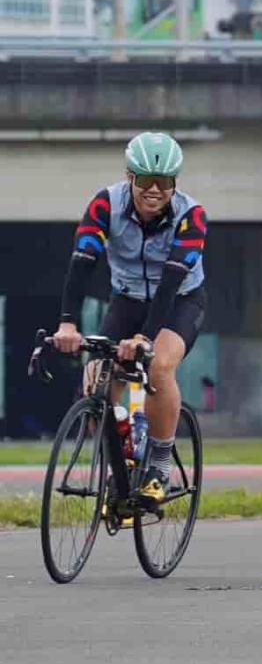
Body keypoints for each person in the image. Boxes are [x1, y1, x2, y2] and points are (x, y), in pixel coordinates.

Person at [51, 131, 208, 503]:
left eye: (164, 182)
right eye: (145, 180)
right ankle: (122, 445)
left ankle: (158, 465)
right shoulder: (105, 204)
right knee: (94, 385)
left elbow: (171, 282)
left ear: (175, 183)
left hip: (179, 301)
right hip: (127, 299)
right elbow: (82, 263)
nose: (154, 190)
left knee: (158, 367)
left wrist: (145, 339)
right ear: (129, 177)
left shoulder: (192, 216)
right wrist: (68, 323)